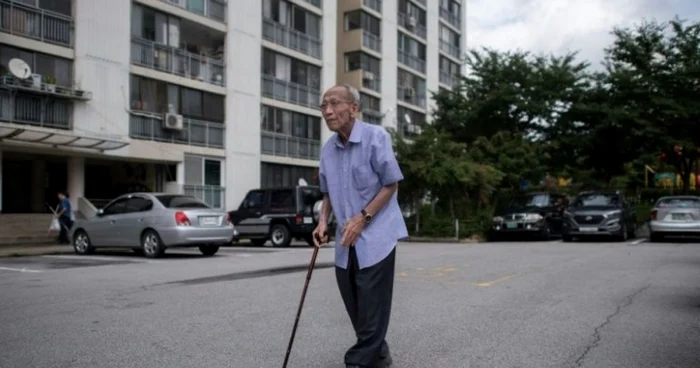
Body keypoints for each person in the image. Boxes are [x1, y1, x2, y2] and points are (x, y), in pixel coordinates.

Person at [313, 84, 408, 368]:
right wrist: (321, 222)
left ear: (353, 108)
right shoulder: (327, 150)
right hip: (346, 239)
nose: (327, 111)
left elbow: (391, 183)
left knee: (371, 301)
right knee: (354, 302)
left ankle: (358, 361)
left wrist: (363, 217)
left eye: (334, 104)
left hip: (376, 234)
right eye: (323, 106)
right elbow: (327, 191)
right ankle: (379, 354)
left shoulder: (376, 137)